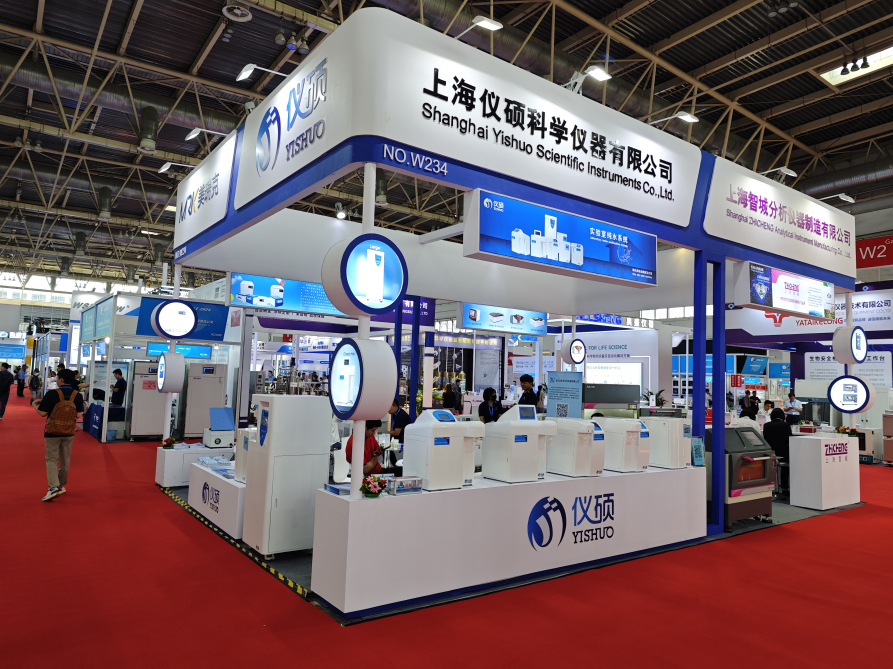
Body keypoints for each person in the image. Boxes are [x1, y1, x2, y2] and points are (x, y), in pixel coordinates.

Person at [32, 369, 84, 502]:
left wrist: (34, 405)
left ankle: (53, 487)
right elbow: (79, 415)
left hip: (52, 432)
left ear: (61, 379)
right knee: (65, 459)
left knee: (51, 459)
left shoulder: (52, 394)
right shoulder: (77, 395)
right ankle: (60, 486)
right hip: (69, 432)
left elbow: (42, 413)